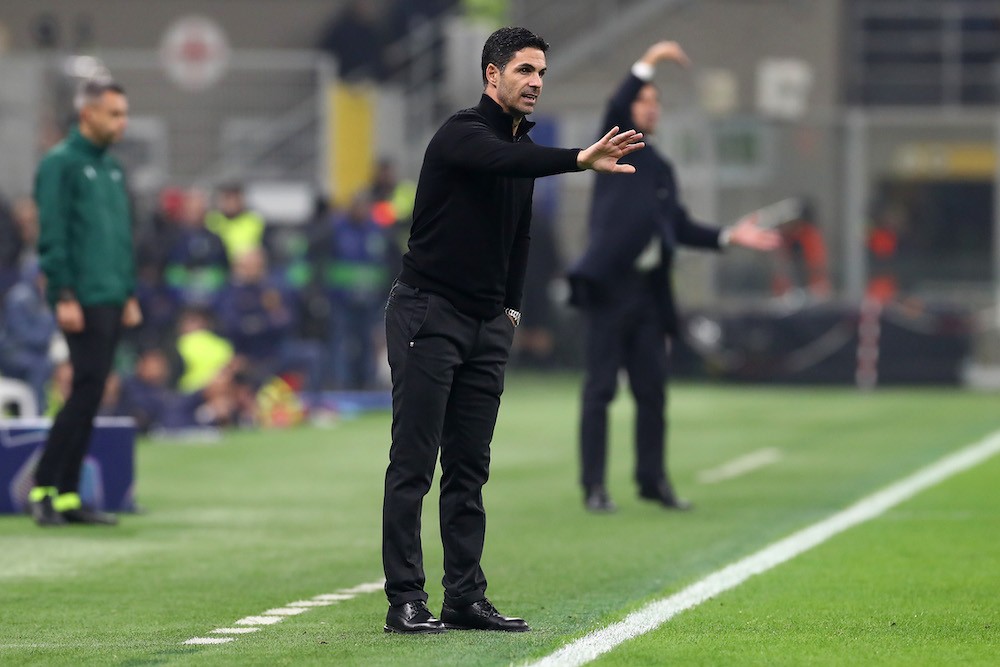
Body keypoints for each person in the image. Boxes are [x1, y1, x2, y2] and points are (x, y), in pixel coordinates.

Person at [381, 26, 645, 635]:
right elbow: (506, 160)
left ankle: (464, 598)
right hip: (429, 313)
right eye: (525, 70)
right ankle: (404, 600)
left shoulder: (519, 147)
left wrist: (512, 310)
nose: (536, 83)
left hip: (484, 324)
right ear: (491, 75)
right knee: (414, 462)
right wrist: (580, 158)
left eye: (542, 73)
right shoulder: (462, 134)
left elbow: (521, 236)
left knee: (470, 466)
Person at [568, 41, 780, 514]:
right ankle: (594, 488)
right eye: (645, 99)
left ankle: (652, 481)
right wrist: (653, 57)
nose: (652, 107)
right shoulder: (611, 145)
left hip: (647, 294)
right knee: (600, 389)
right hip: (609, 288)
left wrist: (730, 235)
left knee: (652, 390)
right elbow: (618, 101)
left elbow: (678, 226)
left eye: (656, 101)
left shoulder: (661, 166)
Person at [29, 78, 143, 527]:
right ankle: (44, 487)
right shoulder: (60, 164)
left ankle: (69, 494)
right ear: (88, 114)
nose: (123, 122)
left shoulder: (112, 169)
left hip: (112, 294)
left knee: (91, 393)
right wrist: (64, 293)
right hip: (84, 296)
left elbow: (119, 239)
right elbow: (53, 235)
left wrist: (129, 290)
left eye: (124, 113)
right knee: (83, 391)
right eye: (115, 113)